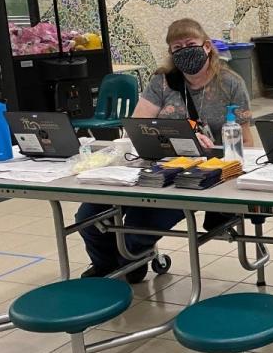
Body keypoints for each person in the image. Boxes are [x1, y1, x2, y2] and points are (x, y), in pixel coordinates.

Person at [75, 18, 253, 281]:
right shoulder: (162, 82)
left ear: (206, 46)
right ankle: (108, 267)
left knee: (136, 229)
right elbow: (138, 125)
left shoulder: (230, 83)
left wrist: (216, 149)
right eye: (177, 48)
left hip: (199, 174)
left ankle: (129, 262)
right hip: (157, 166)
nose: (184, 51)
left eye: (190, 44)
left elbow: (245, 143)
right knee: (88, 217)